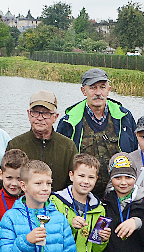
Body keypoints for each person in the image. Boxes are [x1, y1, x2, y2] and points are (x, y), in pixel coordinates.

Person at [57, 68, 138, 197]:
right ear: (83, 91)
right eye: (93, 88)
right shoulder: (69, 121)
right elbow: (62, 161)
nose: (98, 93)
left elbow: (134, 153)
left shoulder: (124, 117)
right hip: (82, 193)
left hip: (117, 193)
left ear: (108, 90)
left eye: (102, 87)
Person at [7, 90, 76, 193]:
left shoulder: (68, 147)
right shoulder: (15, 145)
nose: (40, 118)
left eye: (46, 113)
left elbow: (74, 184)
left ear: (55, 117)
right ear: (29, 114)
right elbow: (7, 180)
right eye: (35, 112)